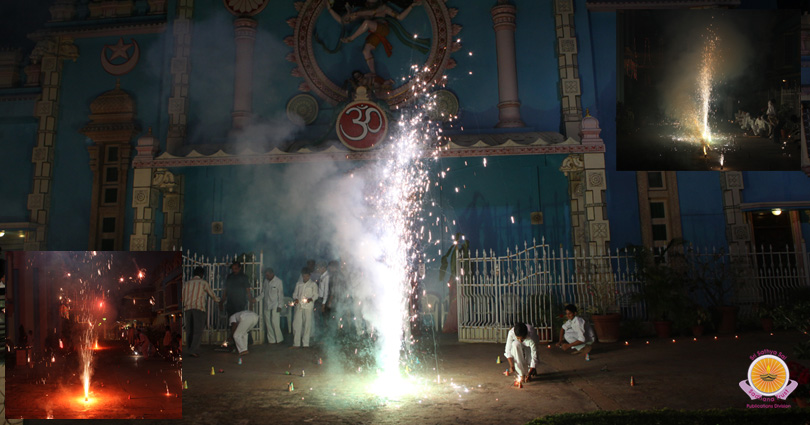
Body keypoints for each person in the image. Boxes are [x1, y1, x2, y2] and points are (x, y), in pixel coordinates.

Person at [183, 266, 220, 357]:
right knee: (197, 330)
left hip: (188, 309)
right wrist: (218, 300)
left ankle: (190, 349)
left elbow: (182, 297)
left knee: (189, 330)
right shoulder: (203, 283)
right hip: (199, 308)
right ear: (201, 274)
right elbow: (212, 294)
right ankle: (193, 350)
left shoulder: (186, 284)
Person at [291, 267, 319, 348]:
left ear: (309, 276)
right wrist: (296, 299)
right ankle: (296, 343)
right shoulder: (298, 284)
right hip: (299, 306)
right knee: (297, 324)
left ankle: (306, 343)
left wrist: (311, 299)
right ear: (302, 276)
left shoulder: (313, 284)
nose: (305, 278)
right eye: (304, 276)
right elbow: (295, 294)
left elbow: (316, 295)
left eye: (307, 276)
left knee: (307, 324)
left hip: (308, 307)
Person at [260, 267, 284, 344]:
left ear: (272, 274)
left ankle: (279, 339)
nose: (267, 277)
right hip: (267, 304)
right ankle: (271, 340)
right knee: (268, 322)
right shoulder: (266, 281)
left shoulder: (278, 281)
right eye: (266, 275)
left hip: (275, 304)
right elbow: (263, 293)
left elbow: (280, 294)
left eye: (268, 275)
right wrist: (256, 299)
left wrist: (280, 306)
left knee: (275, 322)